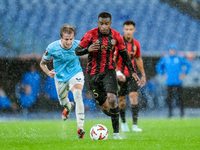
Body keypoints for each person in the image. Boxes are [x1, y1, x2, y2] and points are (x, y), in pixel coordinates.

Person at [75, 12, 140, 139]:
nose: (104, 26)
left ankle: (116, 133)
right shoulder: (90, 34)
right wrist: (87, 50)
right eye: (101, 24)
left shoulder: (116, 35)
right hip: (92, 74)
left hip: (109, 71)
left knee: (112, 98)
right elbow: (77, 51)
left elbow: (124, 54)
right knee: (105, 107)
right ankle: (115, 115)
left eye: (106, 24)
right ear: (98, 23)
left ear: (110, 23)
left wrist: (132, 71)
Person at [40, 24, 85, 138]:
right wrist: (48, 72)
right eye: (66, 39)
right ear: (61, 37)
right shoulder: (52, 47)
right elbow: (42, 63)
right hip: (60, 78)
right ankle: (68, 107)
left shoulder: (79, 45)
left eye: (71, 39)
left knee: (78, 95)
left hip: (76, 73)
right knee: (63, 102)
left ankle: (80, 127)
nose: (69, 42)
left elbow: (91, 52)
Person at [114, 20, 146, 132]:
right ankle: (123, 123)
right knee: (122, 100)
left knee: (133, 97)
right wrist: (117, 72)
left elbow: (138, 58)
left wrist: (143, 75)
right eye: (126, 29)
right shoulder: (118, 43)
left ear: (134, 30)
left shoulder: (136, 44)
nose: (128, 31)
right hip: (120, 76)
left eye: (130, 29)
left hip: (132, 75)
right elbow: (112, 59)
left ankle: (135, 125)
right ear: (123, 30)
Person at [156, 44, 191, 118]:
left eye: (173, 50)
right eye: (171, 50)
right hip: (169, 82)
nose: (172, 51)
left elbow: (188, 65)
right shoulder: (165, 59)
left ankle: (182, 114)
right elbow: (158, 66)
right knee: (169, 98)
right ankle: (170, 114)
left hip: (178, 81)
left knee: (180, 98)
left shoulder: (179, 58)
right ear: (169, 50)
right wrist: (163, 73)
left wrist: (184, 74)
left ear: (175, 51)